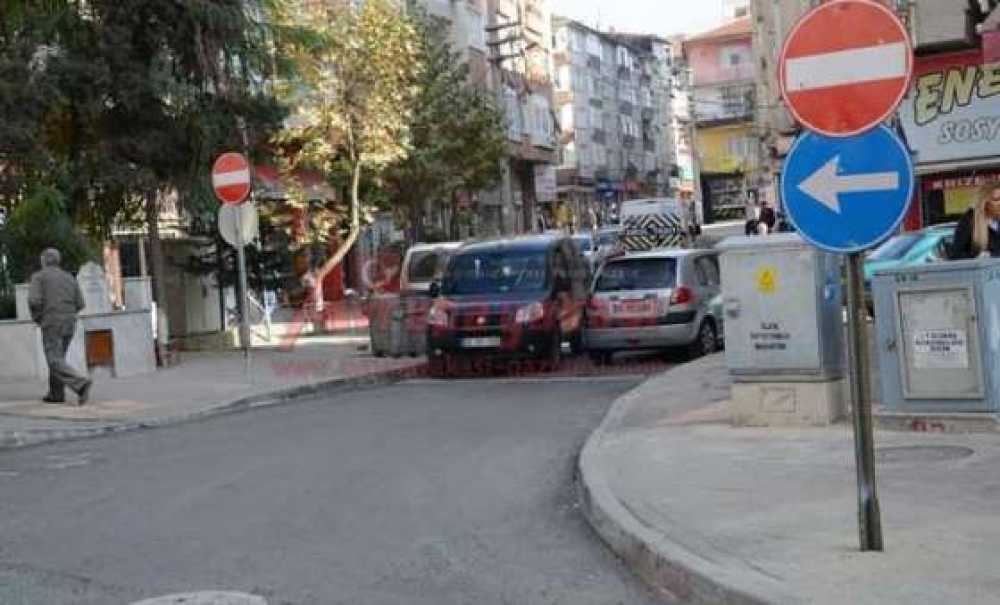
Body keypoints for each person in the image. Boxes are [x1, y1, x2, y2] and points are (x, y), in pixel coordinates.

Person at [28, 248, 92, 405]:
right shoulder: (69, 277)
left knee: (54, 359)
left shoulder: (39, 277)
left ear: (44, 260)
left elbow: (34, 301)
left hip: (51, 322)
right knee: (58, 358)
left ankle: (80, 384)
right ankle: (56, 394)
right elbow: (80, 303)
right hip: (70, 323)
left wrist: (38, 317)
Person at [951, 185, 1000, 259]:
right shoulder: (969, 221)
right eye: (996, 200)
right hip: (981, 269)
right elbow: (956, 255)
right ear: (984, 202)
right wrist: (977, 256)